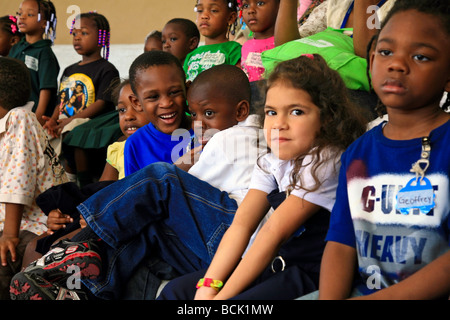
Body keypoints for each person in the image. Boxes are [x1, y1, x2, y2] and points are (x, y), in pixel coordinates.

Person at [10, 64, 268, 300]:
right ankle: (81, 289)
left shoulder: (232, 138)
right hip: (227, 244)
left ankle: (79, 242)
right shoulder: (241, 137)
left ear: (241, 111)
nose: (199, 124)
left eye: (209, 113)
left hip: (234, 230)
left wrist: (184, 164)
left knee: (161, 176)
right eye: (196, 114)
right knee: (148, 233)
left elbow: (182, 186)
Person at [157, 53, 369, 300]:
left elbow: (273, 233)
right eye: (271, 112)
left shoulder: (327, 160)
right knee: (177, 291)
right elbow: (241, 226)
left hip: (309, 274)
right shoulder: (271, 161)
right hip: (276, 264)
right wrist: (209, 286)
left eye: (296, 112)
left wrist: (221, 300)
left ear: (327, 117)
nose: (279, 124)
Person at [299, 0, 450, 300]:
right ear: (370, 61)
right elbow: (341, 244)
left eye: (420, 56)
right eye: (385, 52)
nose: (396, 64)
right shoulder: (358, 152)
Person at [20, 78, 150, 269]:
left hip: (121, 220)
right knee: (34, 245)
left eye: (137, 108)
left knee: (58, 247)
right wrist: (60, 216)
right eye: (122, 110)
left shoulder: (159, 149)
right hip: (99, 216)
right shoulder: (117, 149)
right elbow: (98, 193)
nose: (128, 116)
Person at [0, 57, 67, 300]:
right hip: (15, 222)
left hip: (36, 224)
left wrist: (9, 234)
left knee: (5, 256)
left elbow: (17, 180)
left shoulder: (20, 118)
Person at [42, 12, 120, 187]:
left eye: (83, 33)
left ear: (101, 37)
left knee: (75, 131)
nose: (77, 38)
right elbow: (61, 101)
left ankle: (82, 184)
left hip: (93, 123)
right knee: (45, 137)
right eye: (74, 34)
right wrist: (53, 120)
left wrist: (70, 120)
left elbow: (102, 103)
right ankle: (58, 182)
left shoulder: (107, 69)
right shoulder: (69, 70)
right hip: (66, 121)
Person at [123, 50, 194, 176]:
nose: (166, 103)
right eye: (153, 96)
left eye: (174, 92)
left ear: (187, 90)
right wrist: (175, 172)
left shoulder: (206, 131)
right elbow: (138, 193)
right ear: (136, 102)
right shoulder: (136, 144)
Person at [8, 0, 58, 126]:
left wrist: (39, 116)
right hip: (12, 112)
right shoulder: (16, 48)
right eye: (19, 13)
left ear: (44, 23)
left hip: (31, 116)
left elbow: (46, 88)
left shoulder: (45, 53)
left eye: (30, 15)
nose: (22, 17)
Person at [183, 0, 242, 82]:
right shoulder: (191, 55)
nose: (204, 16)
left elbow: (238, 84)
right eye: (200, 10)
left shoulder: (234, 50)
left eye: (213, 10)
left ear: (230, 18)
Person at [239, 0, 279, 111]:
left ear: (279, 6)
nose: (251, 10)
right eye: (246, 5)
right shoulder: (245, 46)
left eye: (260, 3)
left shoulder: (282, 43)